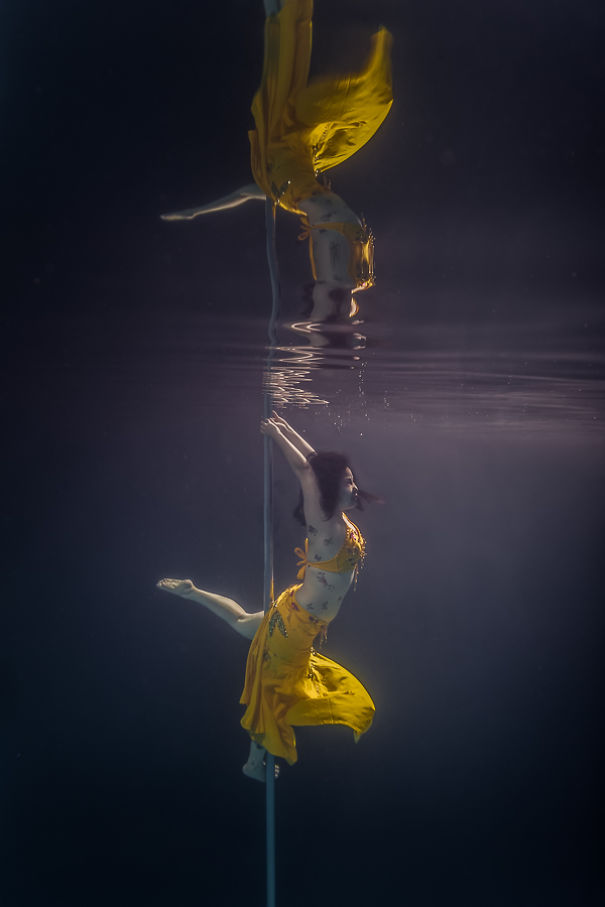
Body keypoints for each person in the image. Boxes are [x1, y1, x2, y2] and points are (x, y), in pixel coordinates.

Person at [157, 412, 375, 780]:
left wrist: (286, 427)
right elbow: (308, 472)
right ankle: (254, 764)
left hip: (295, 616)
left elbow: (316, 465)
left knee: (245, 624)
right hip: (296, 628)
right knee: (273, 693)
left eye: (353, 482)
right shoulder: (323, 523)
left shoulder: (337, 519)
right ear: (328, 491)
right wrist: (276, 434)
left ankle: (192, 592)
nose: (355, 488)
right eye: (348, 484)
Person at [162, 0, 393, 312]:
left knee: (280, 75)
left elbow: (246, 193)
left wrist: (197, 212)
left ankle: (279, 15)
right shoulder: (296, 197)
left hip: (288, 139)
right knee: (280, 76)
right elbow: (332, 283)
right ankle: (281, 15)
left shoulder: (280, 192)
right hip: (294, 146)